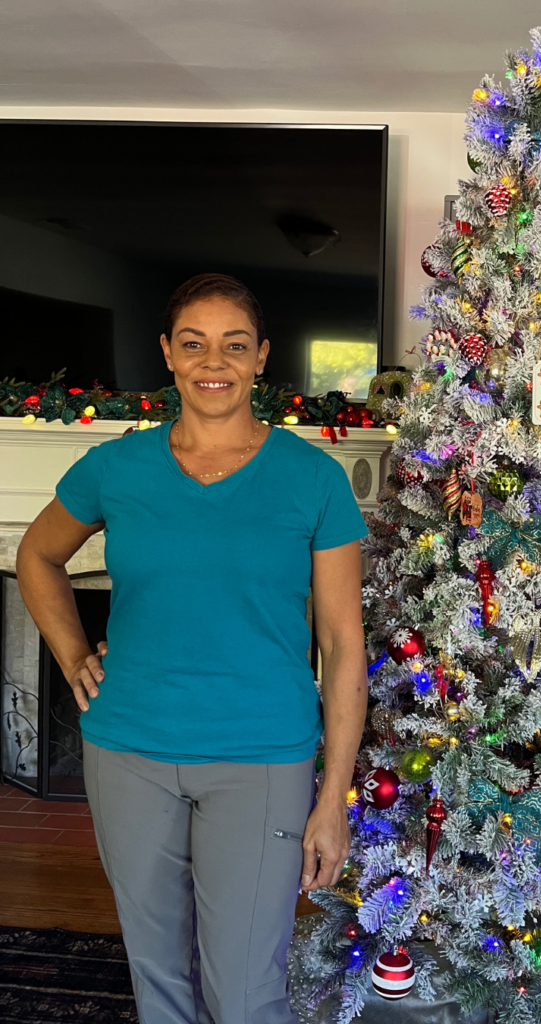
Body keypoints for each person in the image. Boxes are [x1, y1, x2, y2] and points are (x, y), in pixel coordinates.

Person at [15, 273, 370, 1024]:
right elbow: (37, 556)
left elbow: (342, 646)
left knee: (245, 993)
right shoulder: (116, 469)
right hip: (129, 750)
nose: (216, 361)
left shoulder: (313, 479)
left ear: (262, 357)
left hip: (263, 757)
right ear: (169, 356)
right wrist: (73, 650)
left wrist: (333, 796)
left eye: (235, 345)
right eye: (195, 343)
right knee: (158, 978)